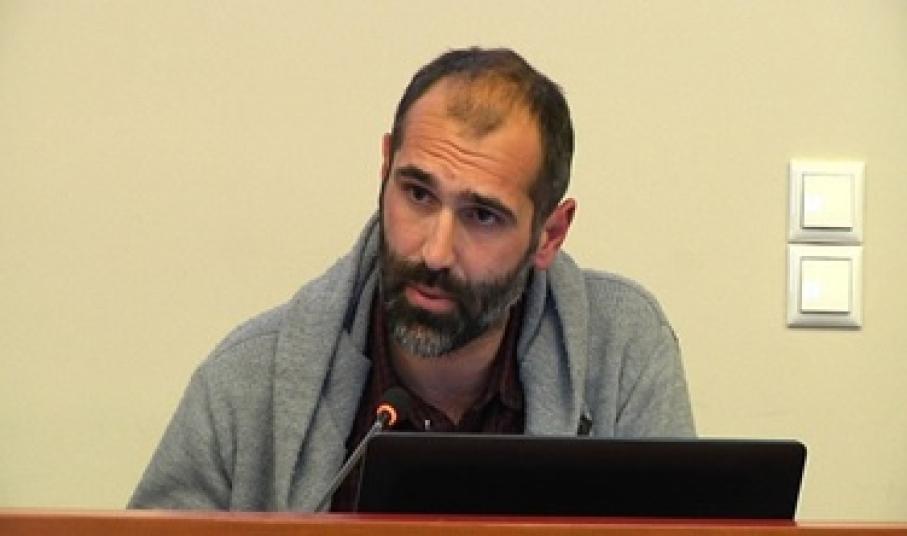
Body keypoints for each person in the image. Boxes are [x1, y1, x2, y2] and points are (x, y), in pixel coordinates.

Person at [128, 47, 694, 512]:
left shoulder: (622, 354)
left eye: (482, 216)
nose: (435, 252)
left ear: (550, 234)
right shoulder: (246, 382)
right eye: (418, 194)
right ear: (384, 170)